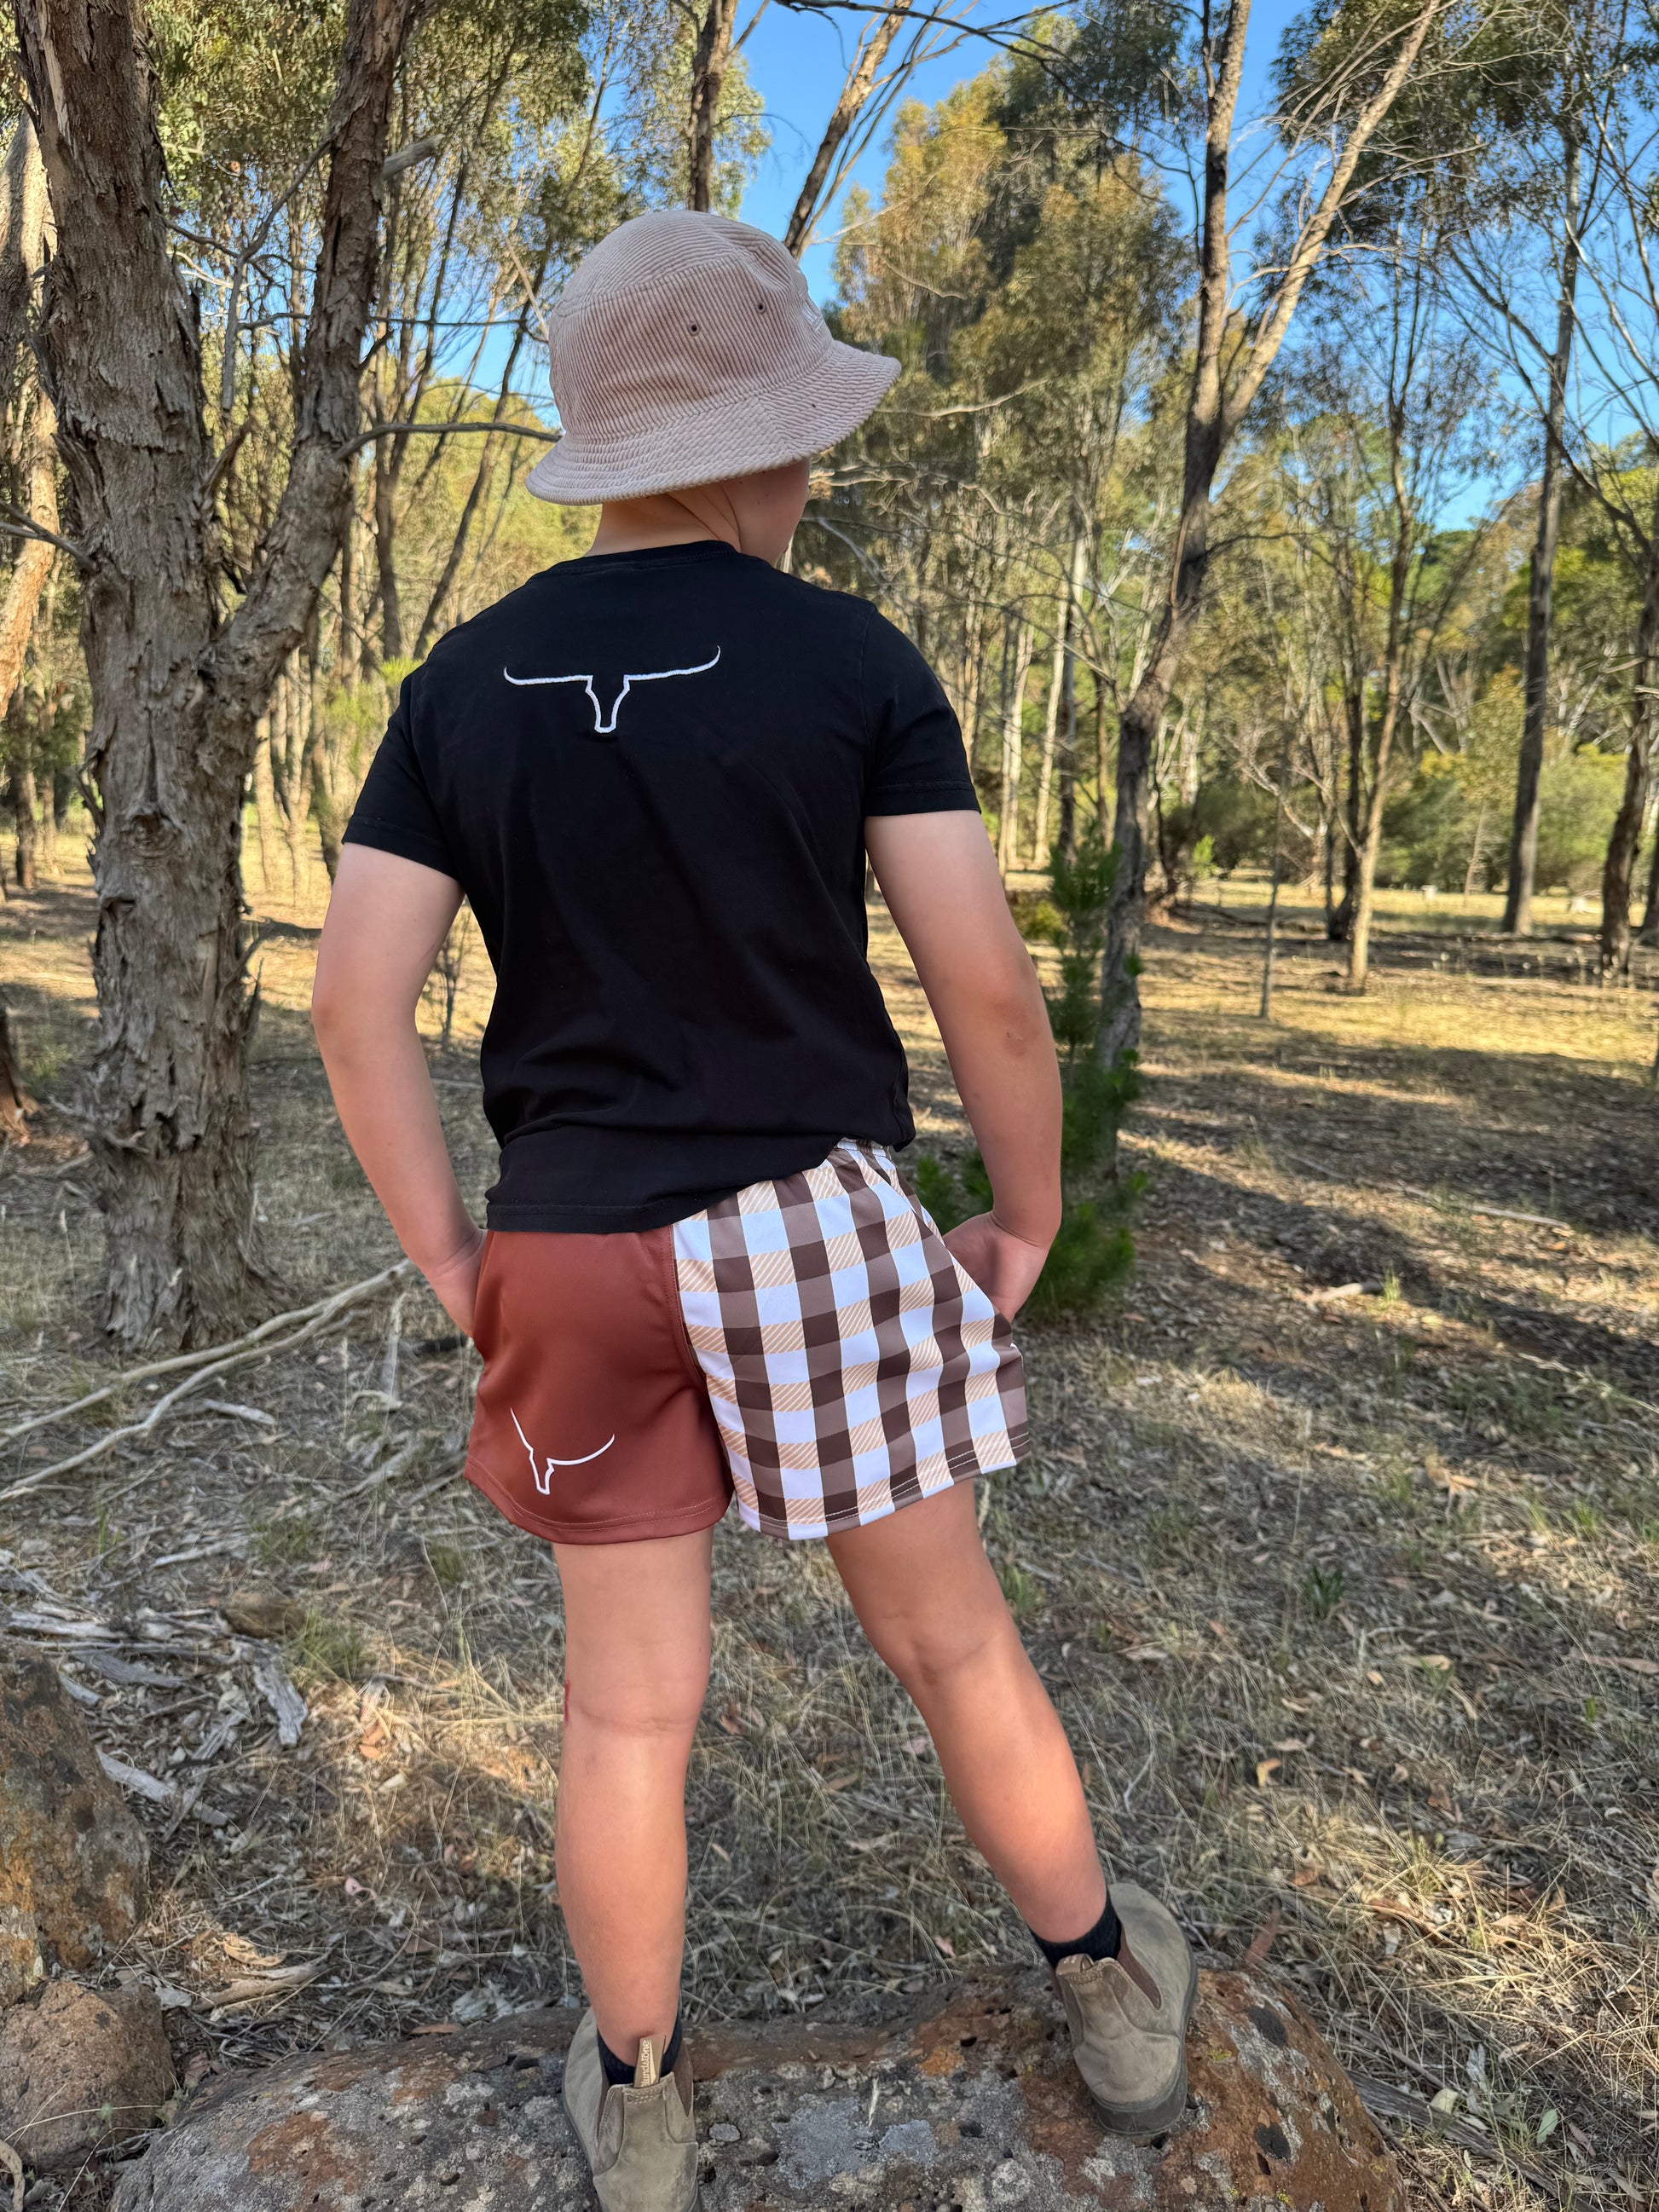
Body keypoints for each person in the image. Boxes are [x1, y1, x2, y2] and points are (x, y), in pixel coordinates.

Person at [311, 208, 1194, 2212]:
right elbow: (988, 992)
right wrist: (1023, 1215)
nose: (813, 474)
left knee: (626, 1708)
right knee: (952, 1643)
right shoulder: (848, 659)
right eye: (804, 438)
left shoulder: (460, 684)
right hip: (812, 1222)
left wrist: (457, 1256)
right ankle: (1109, 1984)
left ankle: (639, 2096)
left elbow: (355, 1004)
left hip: (568, 1246)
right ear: (746, 448)